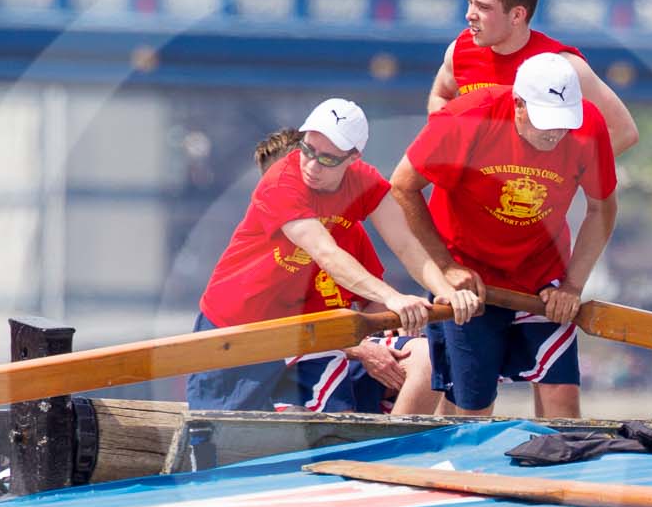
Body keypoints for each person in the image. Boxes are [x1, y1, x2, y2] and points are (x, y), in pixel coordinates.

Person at [187, 98, 478, 411]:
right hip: (238, 326)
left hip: (307, 335)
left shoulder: (363, 186)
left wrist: (446, 292)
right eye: (307, 150)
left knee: (406, 371)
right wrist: (394, 299)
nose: (311, 165)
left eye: (327, 159)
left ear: (353, 158)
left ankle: (387, 455)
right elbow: (325, 253)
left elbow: (407, 245)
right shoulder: (282, 183)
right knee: (215, 435)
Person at [390, 52, 618, 420]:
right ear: (518, 106)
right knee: (471, 405)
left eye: (564, 122)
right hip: (470, 281)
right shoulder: (467, 117)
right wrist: (446, 268)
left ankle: (559, 470)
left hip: (544, 279)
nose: (555, 133)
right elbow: (402, 186)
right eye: (546, 121)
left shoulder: (589, 127)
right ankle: (458, 470)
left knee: (561, 396)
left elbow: (602, 209)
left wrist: (573, 285)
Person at [250, 128, 411, 414]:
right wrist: (360, 348)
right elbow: (279, 332)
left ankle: (406, 452)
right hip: (292, 363)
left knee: (424, 359)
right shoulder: (263, 246)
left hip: (345, 349)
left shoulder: (349, 229)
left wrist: (393, 322)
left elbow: (371, 300)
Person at [427, 0, 639, 160]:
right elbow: (441, 96)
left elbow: (623, 131)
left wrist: (567, 173)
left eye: (483, 7)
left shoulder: (563, 66)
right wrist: (450, 143)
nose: (469, 14)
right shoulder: (459, 50)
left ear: (517, 15)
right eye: (470, 3)